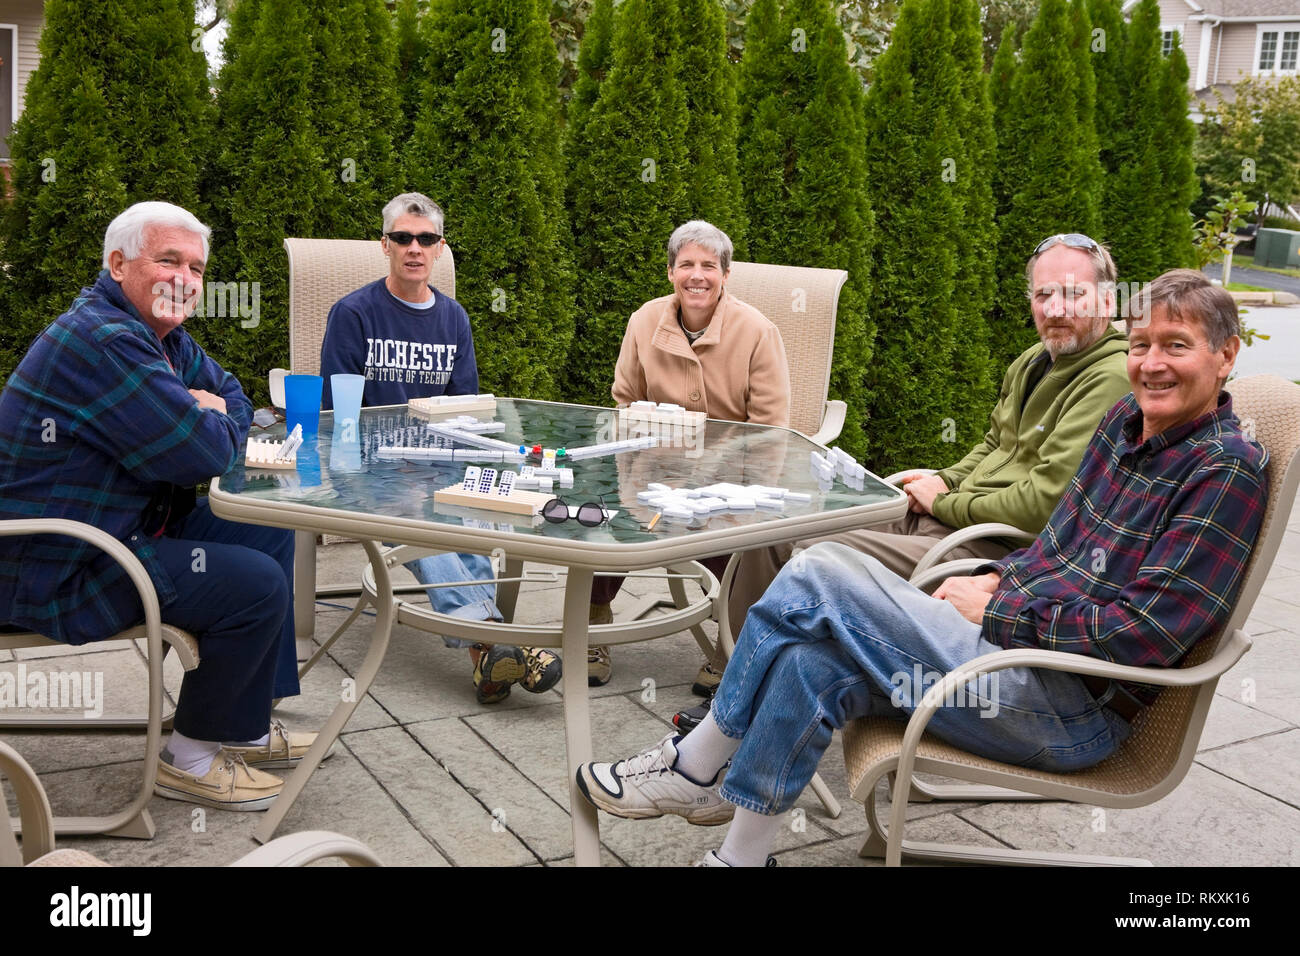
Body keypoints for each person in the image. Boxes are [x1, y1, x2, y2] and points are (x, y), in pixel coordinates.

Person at [577, 268, 1267, 866]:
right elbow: (1057, 543)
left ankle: (696, 762)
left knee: (822, 572)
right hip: (1007, 658)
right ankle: (741, 854)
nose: (1151, 363)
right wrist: (1001, 581)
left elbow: (1145, 631)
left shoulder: (1223, 469)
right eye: (1142, 344)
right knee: (809, 664)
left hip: (1068, 707)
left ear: (1225, 355)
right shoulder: (1126, 423)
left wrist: (997, 610)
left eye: (1177, 346)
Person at [0, 202, 314, 811]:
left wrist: (214, 410)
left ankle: (243, 727)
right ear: (118, 264)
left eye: (196, 268)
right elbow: (201, 453)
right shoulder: (104, 339)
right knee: (253, 582)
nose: (186, 279)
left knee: (264, 525)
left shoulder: (161, 337)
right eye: (168, 260)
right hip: (53, 564)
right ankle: (191, 758)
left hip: (116, 533)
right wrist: (213, 419)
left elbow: (231, 396)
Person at [725, 233, 1132, 660]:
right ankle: (731, 674)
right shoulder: (1033, 361)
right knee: (775, 529)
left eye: (1072, 294)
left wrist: (944, 504)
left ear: (1107, 302)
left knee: (815, 556)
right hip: (954, 520)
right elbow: (994, 446)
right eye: (1044, 294)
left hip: (995, 547)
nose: (1054, 309)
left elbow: (1042, 504)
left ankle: (766, 689)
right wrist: (945, 479)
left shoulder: (1110, 378)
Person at [319, 192, 560, 705]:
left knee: (469, 508)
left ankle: (487, 655)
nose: (414, 247)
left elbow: (464, 412)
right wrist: (386, 465)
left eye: (426, 239)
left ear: (439, 248)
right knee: (425, 514)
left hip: (437, 460)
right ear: (384, 245)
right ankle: (495, 640)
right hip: (369, 466)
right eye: (403, 237)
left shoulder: (454, 319)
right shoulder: (354, 314)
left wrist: (462, 467)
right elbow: (336, 412)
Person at [588, 219, 791, 688]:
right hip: (652, 466)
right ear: (670, 273)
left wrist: (745, 498)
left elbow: (770, 429)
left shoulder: (759, 331)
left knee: (740, 542)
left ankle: (730, 644)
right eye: (686, 265)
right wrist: (634, 472)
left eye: (708, 266)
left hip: (728, 475)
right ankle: (594, 622)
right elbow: (625, 401)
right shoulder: (644, 320)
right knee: (603, 515)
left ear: (725, 274)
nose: (696, 275)